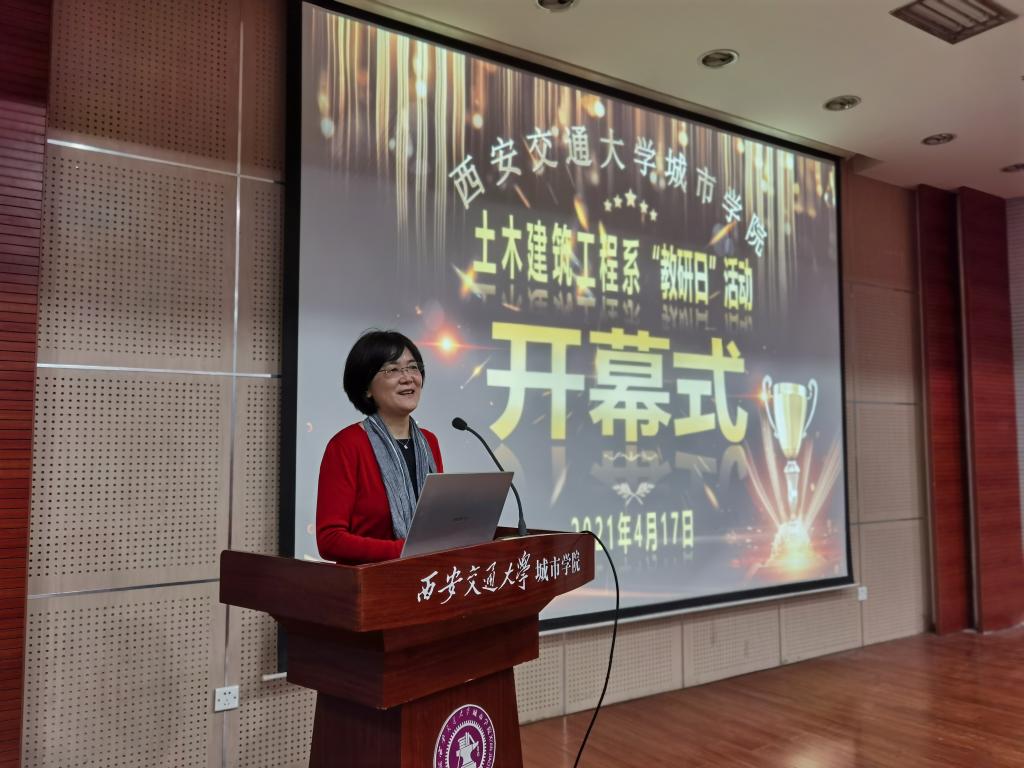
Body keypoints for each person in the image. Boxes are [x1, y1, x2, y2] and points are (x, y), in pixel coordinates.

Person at [316, 330, 443, 564]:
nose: (407, 377)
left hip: (424, 578)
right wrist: (404, 551)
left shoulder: (429, 442)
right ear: (366, 388)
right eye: (392, 370)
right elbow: (330, 540)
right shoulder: (346, 445)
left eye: (412, 367)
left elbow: (434, 525)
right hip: (368, 582)